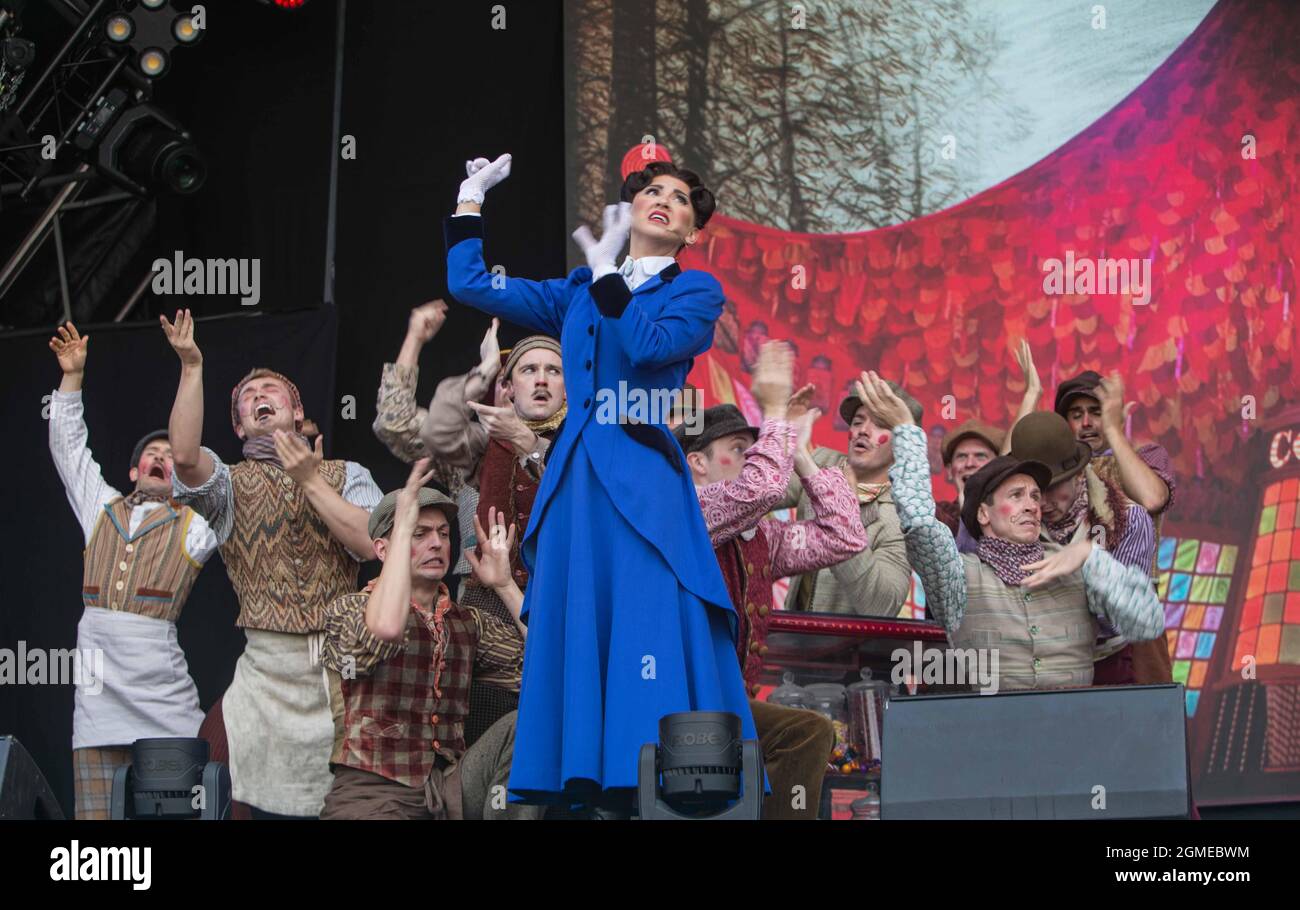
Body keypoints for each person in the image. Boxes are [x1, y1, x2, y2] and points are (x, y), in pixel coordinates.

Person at [444, 152, 756, 812]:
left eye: (680, 198)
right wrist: (471, 201)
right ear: (634, 206)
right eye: (651, 190)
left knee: (643, 635)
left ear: (692, 232)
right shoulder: (579, 290)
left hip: (643, 488)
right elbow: (472, 285)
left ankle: (648, 784)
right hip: (577, 487)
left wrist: (610, 272)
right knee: (585, 630)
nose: (663, 199)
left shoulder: (695, 293)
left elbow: (646, 347)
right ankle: (588, 781)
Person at [162, 309, 383, 818]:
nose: (260, 396)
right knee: (218, 762)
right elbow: (184, 454)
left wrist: (309, 480)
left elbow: (372, 545)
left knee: (352, 801)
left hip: (340, 674)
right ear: (239, 425)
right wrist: (193, 367)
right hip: (264, 676)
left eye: (272, 390)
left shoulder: (346, 473)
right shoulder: (228, 484)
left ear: (298, 411)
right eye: (248, 396)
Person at [859, 371, 1164, 691]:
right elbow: (920, 527)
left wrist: (1093, 558)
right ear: (983, 513)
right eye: (1017, 496)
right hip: (991, 730)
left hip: (1074, 727)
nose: (1035, 504)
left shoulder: (1076, 564)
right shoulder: (959, 574)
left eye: (1035, 494)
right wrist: (907, 431)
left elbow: (1146, 625)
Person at [680, 341, 866, 819]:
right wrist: (776, 409)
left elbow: (846, 535)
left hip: (727, 709)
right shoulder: (686, 513)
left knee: (810, 731)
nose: (755, 456)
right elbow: (759, 488)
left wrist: (801, 454)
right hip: (679, 705)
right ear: (697, 462)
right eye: (739, 449)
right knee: (805, 731)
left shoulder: (759, 536)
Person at [46, 322, 219, 819]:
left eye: (170, 455)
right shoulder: (100, 508)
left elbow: (226, 495)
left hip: (163, 707)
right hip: (98, 710)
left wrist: (191, 367)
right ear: (133, 470)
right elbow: (69, 448)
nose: (162, 457)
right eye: (153, 453)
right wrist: (72, 377)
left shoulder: (194, 525)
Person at [318, 459, 540, 820]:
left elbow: (546, 663)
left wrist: (504, 585)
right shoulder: (349, 610)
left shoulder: (466, 622)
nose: (436, 543)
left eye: (442, 533)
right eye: (419, 534)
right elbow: (385, 630)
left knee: (528, 722)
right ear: (382, 549)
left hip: (445, 789)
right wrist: (401, 529)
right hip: (373, 793)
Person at [420, 320, 566, 746]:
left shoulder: (584, 443)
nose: (541, 379)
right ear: (510, 387)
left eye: (554, 371)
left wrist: (533, 447)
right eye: (528, 370)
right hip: (488, 610)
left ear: (569, 388)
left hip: (561, 604)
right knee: (491, 735)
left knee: (554, 727)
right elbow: (438, 431)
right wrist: (484, 370)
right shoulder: (485, 443)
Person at [1055, 368, 1177, 684]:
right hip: (1067, 633)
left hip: (1133, 631)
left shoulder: (1146, 455)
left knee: (1142, 727)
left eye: (1096, 412)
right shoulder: (1052, 476)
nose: (1086, 423)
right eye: (1076, 414)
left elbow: (1151, 498)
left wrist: (1113, 429)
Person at [778, 377, 919, 616]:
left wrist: (842, 521)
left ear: (903, 443)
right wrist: (778, 441)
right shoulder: (821, 462)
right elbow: (758, 495)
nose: (863, 430)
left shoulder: (901, 518)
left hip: (849, 649)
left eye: (880, 423)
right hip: (790, 640)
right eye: (858, 421)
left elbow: (881, 605)